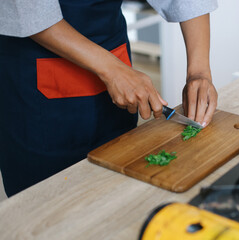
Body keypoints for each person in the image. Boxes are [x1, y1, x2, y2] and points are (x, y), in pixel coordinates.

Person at [0, 0, 218, 197]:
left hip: (113, 53)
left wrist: (199, 71)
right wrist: (112, 70)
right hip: (37, 84)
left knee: (120, 193)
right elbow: (28, 13)